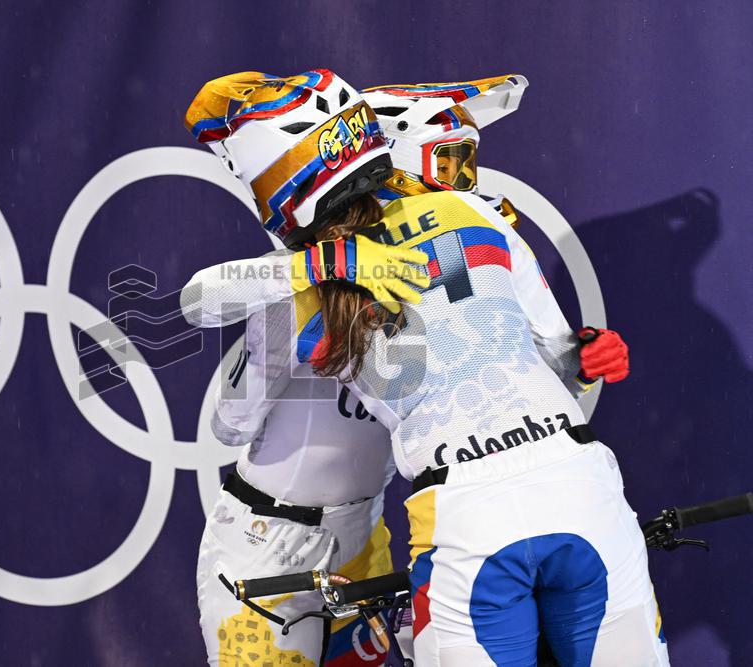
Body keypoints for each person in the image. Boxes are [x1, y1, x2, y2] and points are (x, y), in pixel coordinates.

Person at [187, 71, 667, 665]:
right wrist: (578, 360)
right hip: (563, 477)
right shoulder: (465, 218)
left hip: (414, 514)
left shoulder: (304, 279)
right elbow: (542, 357)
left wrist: (322, 275)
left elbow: (221, 382)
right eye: (449, 157)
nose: (463, 177)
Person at [183, 69, 429, 666]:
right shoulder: (309, 283)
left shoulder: (315, 275)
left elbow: (230, 423)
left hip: (360, 540)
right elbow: (198, 306)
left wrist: (572, 363)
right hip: (269, 553)